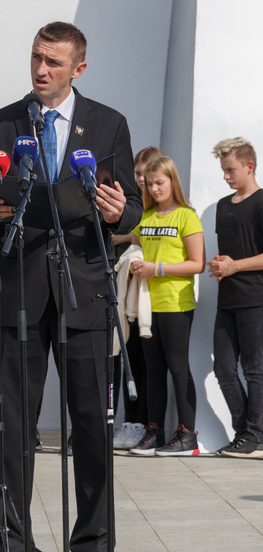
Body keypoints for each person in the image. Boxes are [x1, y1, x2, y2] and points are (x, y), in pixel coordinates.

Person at [0, 21, 142, 552]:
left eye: (54, 62)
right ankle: (11, 547)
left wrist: (119, 213)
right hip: (19, 289)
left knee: (91, 425)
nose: (41, 70)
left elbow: (133, 207)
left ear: (78, 69)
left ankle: (93, 547)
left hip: (84, 291)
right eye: (36, 58)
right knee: (13, 427)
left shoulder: (109, 123)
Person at [130, 155, 205, 456]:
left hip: (176, 303)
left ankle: (187, 436)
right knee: (153, 370)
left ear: (173, 181)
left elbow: (197, 264)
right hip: (147, 305)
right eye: (149, 184)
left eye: (159, 183)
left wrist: (157, 269)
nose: (154, 189)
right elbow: (133, 248)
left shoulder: (187, 216)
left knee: (178, 367)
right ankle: (154, 431)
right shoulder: (146, 217)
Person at [208, 137, 263, 458]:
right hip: (226, 299)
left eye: (230, 170)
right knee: (224, 369)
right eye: (223, 170)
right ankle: (244, 434)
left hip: (256, 299)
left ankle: (256, 436)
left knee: (255, 370)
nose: (225, 176)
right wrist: (219, 264)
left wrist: (235, 266)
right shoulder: (223, 206)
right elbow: (233, 249)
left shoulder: (262, 202)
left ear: (249, 166)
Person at [112, 146, 161, 450]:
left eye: (146, 174)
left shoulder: (159, 206)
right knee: (126, 357)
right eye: (138, 174)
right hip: (125, 291)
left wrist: (124, 236)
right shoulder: (132, 201)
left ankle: (143, 422)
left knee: (145, 363)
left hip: (151, 294)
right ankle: (129, 421)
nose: (142, 180)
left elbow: (149, 236)